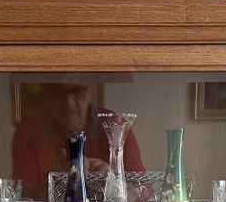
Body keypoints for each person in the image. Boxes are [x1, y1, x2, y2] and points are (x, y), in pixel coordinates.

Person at [12, 82, 145, 194]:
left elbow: (145, 195)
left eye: (78, 90)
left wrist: (114, 179)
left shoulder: (115, 126)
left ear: (90, 91)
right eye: (58, 92)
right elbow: (20, 198)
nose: (68, 103)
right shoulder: (29, 131)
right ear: (47, 93)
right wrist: (57, 181)